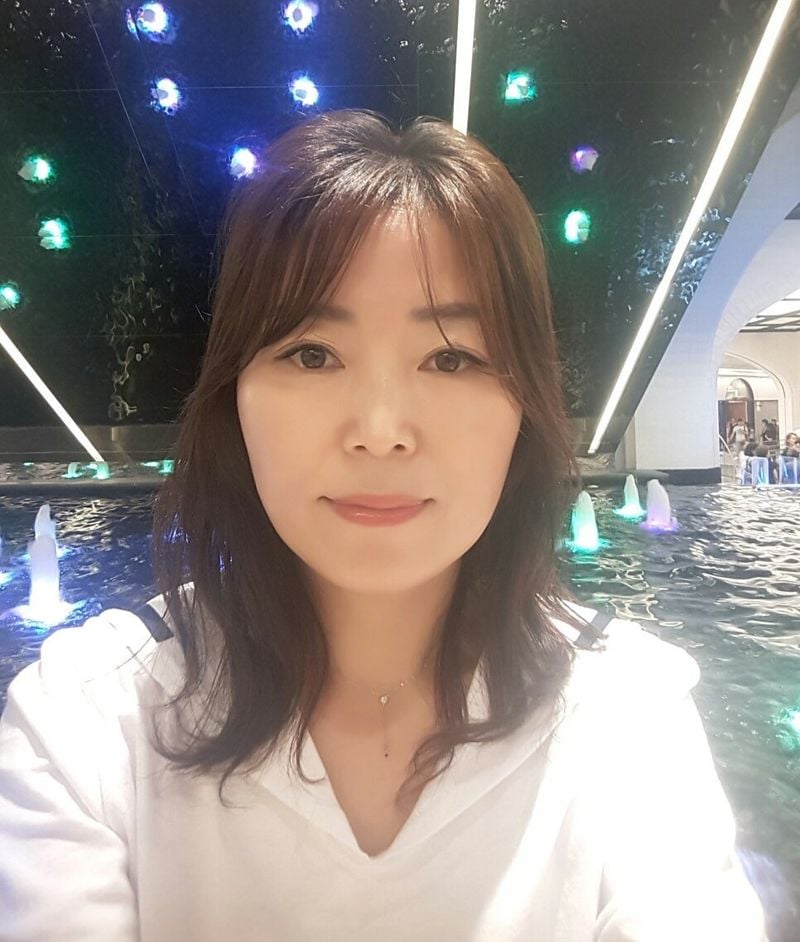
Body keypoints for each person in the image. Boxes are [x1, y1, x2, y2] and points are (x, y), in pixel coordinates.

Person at [0, 110, 768, 941]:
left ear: (524, 409)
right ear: (234, 400)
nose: (379, 430)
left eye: (451, 357)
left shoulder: (629, 717)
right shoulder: (87, 721)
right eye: (312, 355)